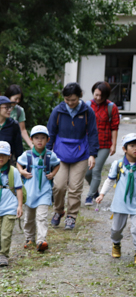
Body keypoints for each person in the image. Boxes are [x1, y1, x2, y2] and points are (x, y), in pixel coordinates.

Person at [47, 82, 98, 230]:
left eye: (73, 100)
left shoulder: (88, 112)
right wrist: (48, 153)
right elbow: (50, 133)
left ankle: (71, 216)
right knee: (59, 186)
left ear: (80, 96)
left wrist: (92, 154)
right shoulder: (58, 111)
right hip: (60, 154)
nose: (70, 103)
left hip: (81, 154)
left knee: (75, 187)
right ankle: (58, 211)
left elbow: (93, 133)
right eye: (67, 100)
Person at [16, 126, 61, 252]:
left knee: (41, 216)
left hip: (44, 192)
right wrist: (22, 172)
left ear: (48, 140)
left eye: (43, 138)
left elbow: (57, 164)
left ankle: (41, 240)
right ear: (31, 140)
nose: (39, 141)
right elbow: (18, 163)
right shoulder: (27, 155)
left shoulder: (50, 155)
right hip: (30, 192)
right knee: (29, 218)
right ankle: (29, 238)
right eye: (36, 138)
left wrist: (53, 174)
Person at [95, 133, 136, 263]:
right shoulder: (118, 164)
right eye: (132, 146)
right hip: (120, 203)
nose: (135, 149)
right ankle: (116, 244)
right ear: (124, 149)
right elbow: (109, 180)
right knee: (116, 229)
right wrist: (101, 194)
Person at [84, 81, 120, 205]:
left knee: (96, 170)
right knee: (87, 172)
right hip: (89, 144)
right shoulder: (87, 105)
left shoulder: (111, 107)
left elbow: (114, 127)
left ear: (106, 96)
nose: (98, 98)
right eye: (96, 95)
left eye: (101, 96)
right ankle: (95, 191)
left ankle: (89, 196)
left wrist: (114, 144)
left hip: (104, 144)